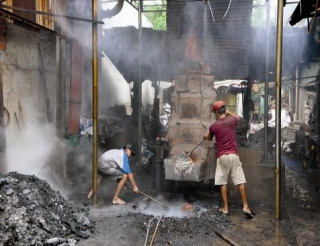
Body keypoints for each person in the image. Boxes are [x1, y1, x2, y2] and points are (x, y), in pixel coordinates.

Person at [203, 101, 255, 219]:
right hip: (233, 155)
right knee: (240, 181)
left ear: (216, 112)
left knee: (223, 182)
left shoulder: (214, 126)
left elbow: (209, 138)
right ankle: (245, 206)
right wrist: (228, 112)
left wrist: (205, 136)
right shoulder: (232, 120)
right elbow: (238, 118)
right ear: (224, 110)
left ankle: (225, 208)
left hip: (222, 157)